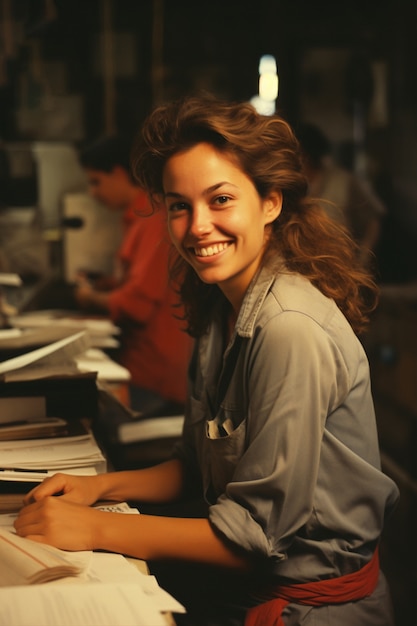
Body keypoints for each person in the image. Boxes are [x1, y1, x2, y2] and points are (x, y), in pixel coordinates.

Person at [15, 96, 399, 626]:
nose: (197, 227)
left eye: (220, 200)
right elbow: (193, 468)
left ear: (270, 203)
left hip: (311, 610)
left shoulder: (288, 328)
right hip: (250, 589)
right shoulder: (222, 310)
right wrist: (97, 487)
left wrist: (96, 527)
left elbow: (254, 534)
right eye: (179, 205)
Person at [74, 134, 192, 415]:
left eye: (95, 182)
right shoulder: (139, 218)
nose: (93, 193)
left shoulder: (154, 219)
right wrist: (111, 285)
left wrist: (89, 297)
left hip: (153, 377)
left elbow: (136, 305)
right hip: (143, 370)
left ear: (117, 173)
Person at [296, 123, 386, 269]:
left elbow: (373, 218)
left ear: (307, 154)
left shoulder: (342, 181)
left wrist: (363, 256)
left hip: (339, 266)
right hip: (305, 267)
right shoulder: (292, 184)